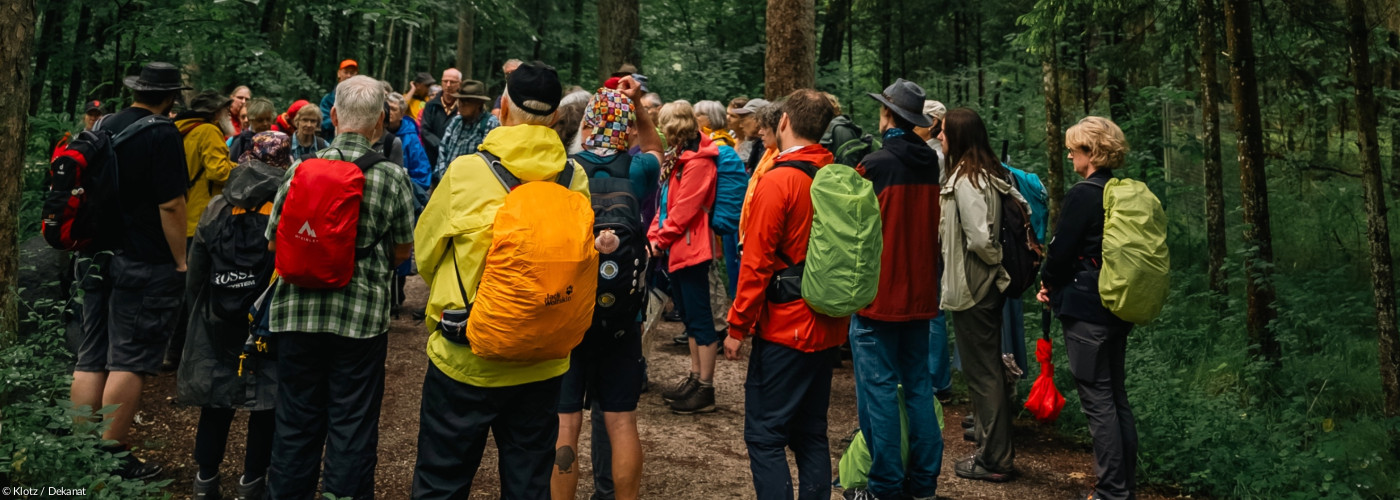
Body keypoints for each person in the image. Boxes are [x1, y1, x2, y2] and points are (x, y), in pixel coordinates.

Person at [411, 61, 592, 500]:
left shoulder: (467, 173)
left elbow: (426, 255)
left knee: (442, 481)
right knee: (529, 484)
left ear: (503, 107)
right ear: (553, 118)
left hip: (467, 354)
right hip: (544, 357)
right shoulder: (574, 178)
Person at [263, 75, 416, 499]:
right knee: (352, 426)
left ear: (332, 117)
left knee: (295, 424)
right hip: (361, 323)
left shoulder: (298, 170)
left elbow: (274, 241)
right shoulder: (391, 177)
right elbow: (403, 252)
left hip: (296, 316)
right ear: (381, 122)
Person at [71, 61, 192, 479]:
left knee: (91, 355)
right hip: (143, 260)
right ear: (170, 96)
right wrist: (180, 259)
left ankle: (83, 454)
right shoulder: (162, 134)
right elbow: (172, 204)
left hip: (92, 255)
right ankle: (112, 459)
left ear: (136, 90)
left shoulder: (103, 125)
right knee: (130, 357)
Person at [723, 89, 845, 500]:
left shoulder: (780, 181)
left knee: (765, 436)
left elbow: (756, 264)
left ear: (785, 122)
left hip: (786, 326)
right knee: (811, 433)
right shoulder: (837, 173)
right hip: (828, 322)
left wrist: (737, 326)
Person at [550, 83, 662, 500]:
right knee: (621, 421)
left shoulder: (562, 171)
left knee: (565, 426)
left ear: (586, 125)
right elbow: (656, 147)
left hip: (569, 316)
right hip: (622, 321)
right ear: (626, 130)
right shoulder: (638, 171)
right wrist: (638, 108)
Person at [180, 132, 291, 500]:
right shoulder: (286, 204)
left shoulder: (216, 206)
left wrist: (203, 308)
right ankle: (251, 482)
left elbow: (197, 273)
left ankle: (206, 479)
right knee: (266, 402)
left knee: (216, 401)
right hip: (266, 321)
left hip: (218, 318)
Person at [848, 78, 944, 500]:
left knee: (880, 390)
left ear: (888, 115)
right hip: (922, 292)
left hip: (879, 294)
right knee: (919, 386)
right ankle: (923, 484)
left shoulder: (875, 165)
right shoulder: (931, 163)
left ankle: (884, 486)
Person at [1037, 116, 1138, 500]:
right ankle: (1125, 486)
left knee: (1097, 401)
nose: (1069, 155)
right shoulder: (1118, 191)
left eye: (1073, 149)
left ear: (1090, 153)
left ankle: (1112, 492)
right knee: (1116, 397)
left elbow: (1061, 253)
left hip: (1087, 311)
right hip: (1117, 305)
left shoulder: (1084, 193)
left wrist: (1048, 283)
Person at [937, 107, 1026, 483]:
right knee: (986, 371)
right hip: (983, 285)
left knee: (983, 375)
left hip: (975, 287)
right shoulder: (989, 173)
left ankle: (994, 459)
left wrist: (996, 267)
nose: (939, 137)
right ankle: (994, 452)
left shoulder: (968, 181)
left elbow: (979, 238)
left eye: (943, 132)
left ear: (957, 137)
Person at [651, 101, 723, 414]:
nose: (662, 134)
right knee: (689, 317)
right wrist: (655, 236)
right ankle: (695, 377)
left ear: (674, 128)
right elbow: (664, 204)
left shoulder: (699, 162)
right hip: (675, 248)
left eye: (664, 127)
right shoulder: (679, 157)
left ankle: (705, 387)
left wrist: (659, 239)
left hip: (692, 250)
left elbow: (684, 211)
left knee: (700, 318)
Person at [909, 99, 954, 402]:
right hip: (935, 235)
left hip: (933, 237)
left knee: (934, 307)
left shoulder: (934, 156)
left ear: (936, 122)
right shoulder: (937, 154)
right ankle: (936, 378)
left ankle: (937, 381)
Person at [175, 91, 240, 240]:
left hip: (183, 212)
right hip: (204, 215)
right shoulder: (209, 131)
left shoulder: (183, 128)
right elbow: (218, 172)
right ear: (215, 112)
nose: (229, 113)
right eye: (225, 109)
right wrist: (242, 169)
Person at [433, 79, 499, 185]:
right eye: (460, 100)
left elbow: (487, 161)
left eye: (467, 101)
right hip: (446, 182)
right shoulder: (456, 121)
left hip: (471, 186)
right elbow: (442, 149)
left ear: (479, 103)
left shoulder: (490, 123)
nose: (461, 104)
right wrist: (443, 177)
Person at [385, 92, 433, 199]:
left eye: (393, 109)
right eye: (386, 108)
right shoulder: (375, 131)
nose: (389, 112)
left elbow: (422, 174)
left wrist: (403, 186)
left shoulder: (410, 138)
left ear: (402, 114)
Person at [419, 68, 462, 168]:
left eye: (452, 82)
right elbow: (425, 131)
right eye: (445, 81)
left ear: (460, 83)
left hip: (455, 158)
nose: (448, 85)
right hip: (432, 158)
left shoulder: (462, 106)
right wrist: (442, 146)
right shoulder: (431, 105)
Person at [319, 59, 360, 138]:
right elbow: (323, 123)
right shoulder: (328, 100)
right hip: (332, 142)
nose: (348, 76)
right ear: (339, 73)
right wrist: (346, 121)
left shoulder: (362, 99)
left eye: (352, 73)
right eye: (346, 72)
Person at [228, 98, 276, 163]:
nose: (265, 123)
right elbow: (233, 162)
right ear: (250, 120)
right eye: (260, 120)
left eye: (268, 119)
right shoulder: (243, 139)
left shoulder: (276, 139)